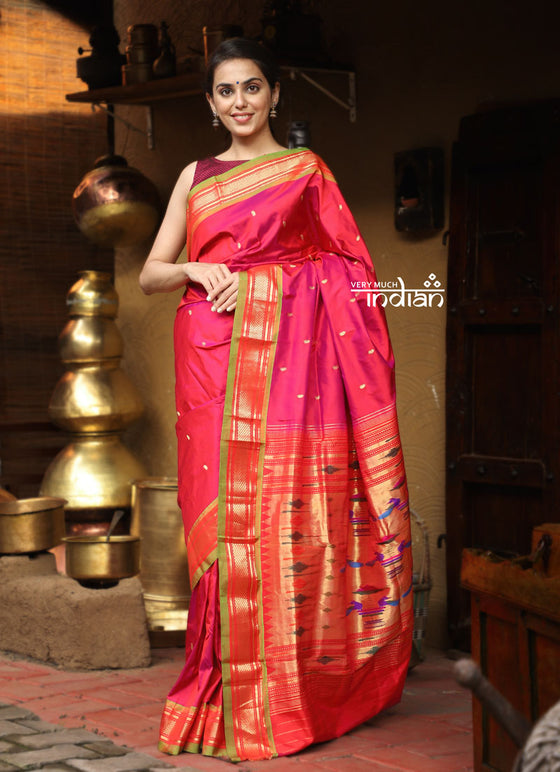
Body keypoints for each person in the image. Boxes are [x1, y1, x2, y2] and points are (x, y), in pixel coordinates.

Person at [139, 37, 413, 763]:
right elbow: (150, 273)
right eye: (226, 91)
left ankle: (284, 695)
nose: (240, 102)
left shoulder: (303, 171)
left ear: (275, 94)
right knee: (217, 520)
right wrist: (196, 269)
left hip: (287, 361)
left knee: (272, 516)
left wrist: (266, 285)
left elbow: (352, 269)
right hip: (209, 358)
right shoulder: (196, 177)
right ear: (210, 102)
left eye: (252, 87)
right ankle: (220, 690)